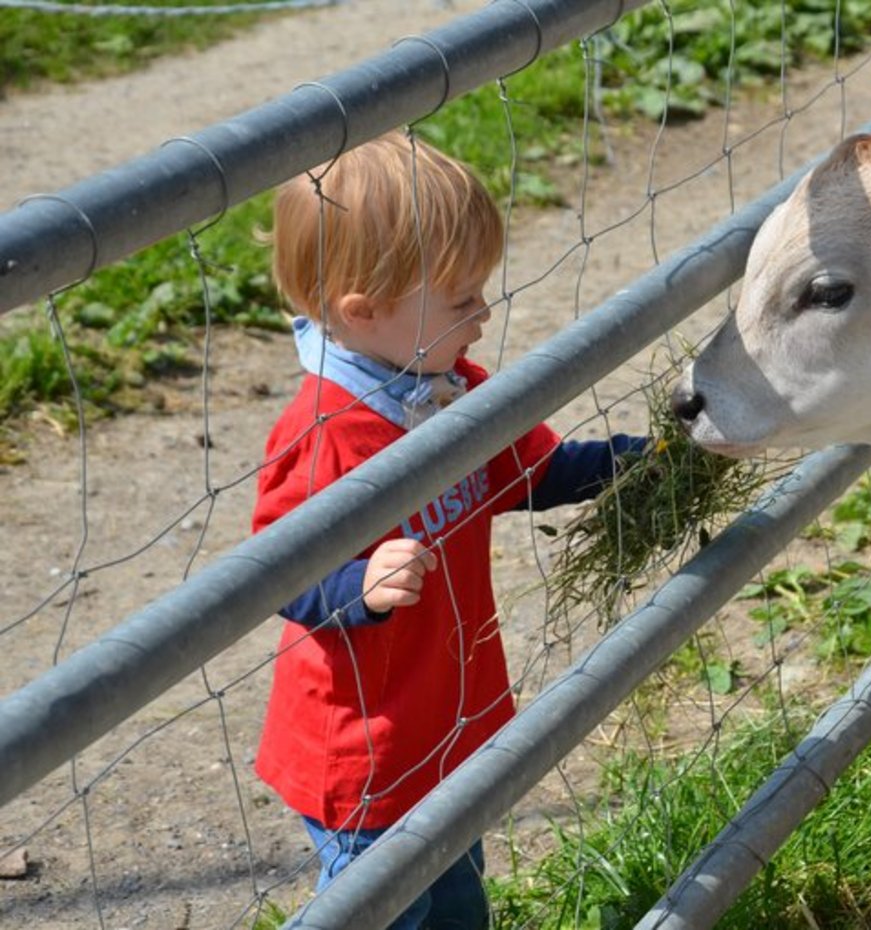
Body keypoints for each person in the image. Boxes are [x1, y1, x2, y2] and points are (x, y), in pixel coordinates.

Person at [252, 131, 642, 929]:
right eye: (462, 299)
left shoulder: (449, 389)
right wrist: (354, 585)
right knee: (383, 909)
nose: (484, 313)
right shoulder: (331, 429)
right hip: (368, 748)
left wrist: (642, 462)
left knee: (457, 900)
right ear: (365, 311)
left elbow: (531, 473)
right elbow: (275, 569)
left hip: (446, 725)